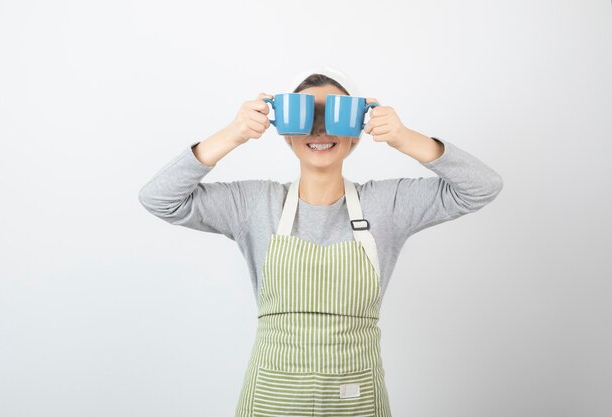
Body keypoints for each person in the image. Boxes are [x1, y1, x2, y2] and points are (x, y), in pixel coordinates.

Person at [138, 65, 503, 417]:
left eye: (333, 116)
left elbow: (482, 187)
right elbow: (159, 198)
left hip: (356, 398)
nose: (319, 129)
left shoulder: (387, 205)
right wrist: (233, 134)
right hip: (272, 400)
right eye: (307, 116)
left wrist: (404, 138)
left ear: (355, 131)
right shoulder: (255, 204)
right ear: (286, 131)